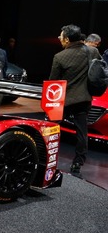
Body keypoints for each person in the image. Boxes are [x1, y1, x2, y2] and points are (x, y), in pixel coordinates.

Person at [50, 24, 101, 179]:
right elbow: (99, 70)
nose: (59, 38)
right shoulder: (93, 51)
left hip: (63, 101)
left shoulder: (59, 57)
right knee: (81, 132)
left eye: (60, 36)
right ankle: (77, 164)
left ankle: (47, 159)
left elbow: (53, 82)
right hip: (84, 99)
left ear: (66, 39)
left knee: (52, 129)